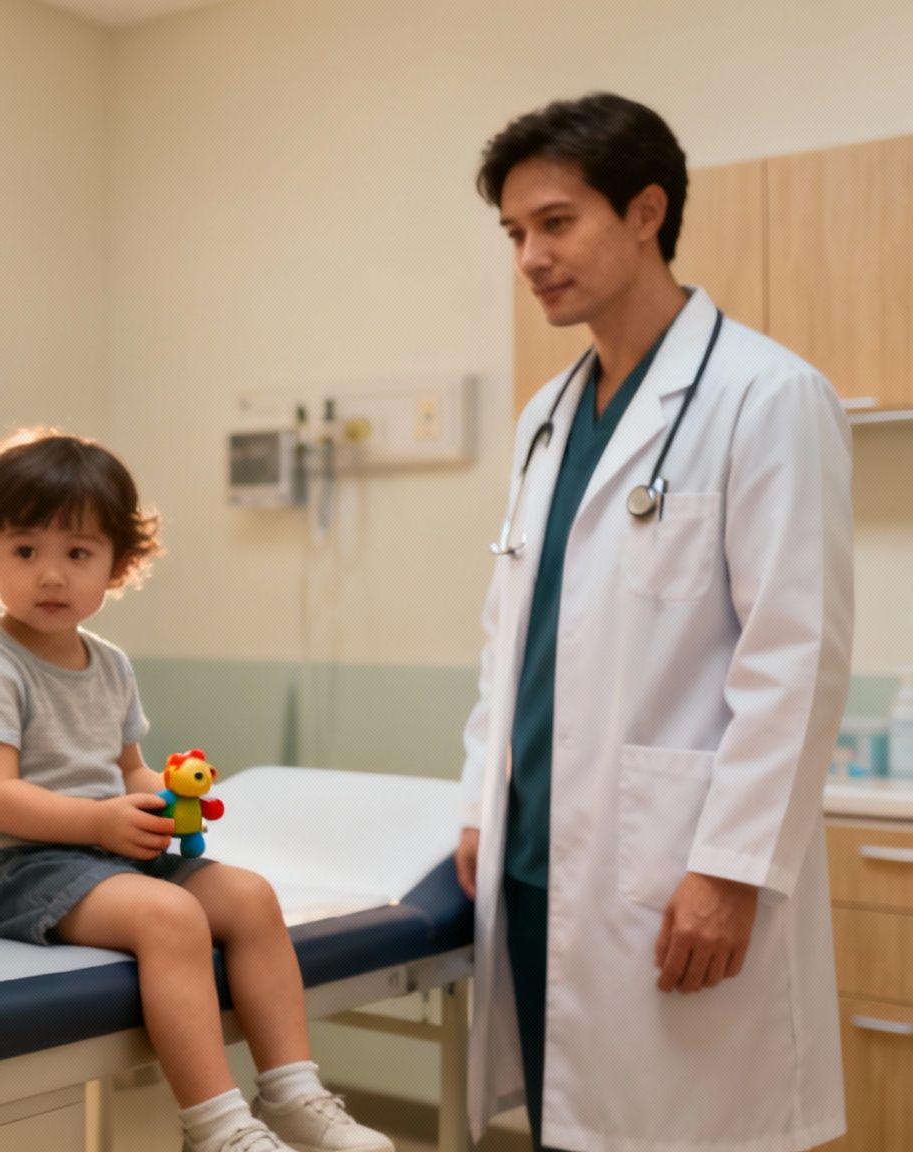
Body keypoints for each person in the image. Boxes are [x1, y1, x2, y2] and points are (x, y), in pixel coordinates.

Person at [455, 93, 852, 1151]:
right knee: (562, 1125)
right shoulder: (545, 417)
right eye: (513, 234)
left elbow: (794, 656)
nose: (530, 257)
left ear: (644, 211)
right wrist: (475, 804)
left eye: (554, 223)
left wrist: (728, 868)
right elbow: (510, 637)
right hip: (536, 857)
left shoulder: (765, 396)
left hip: (678, 866)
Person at [0, 431, 392, 1152]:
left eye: (77, 553)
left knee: (250, 897)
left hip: (97, 853)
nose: (50, 575)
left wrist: (169, 798)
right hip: (11, 867)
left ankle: (294, 1091)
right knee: (172, 916)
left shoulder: (108, 664)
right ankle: (217, 1126)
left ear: (120, 564)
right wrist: (103, 823)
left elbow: (126, 770)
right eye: (25, 551)